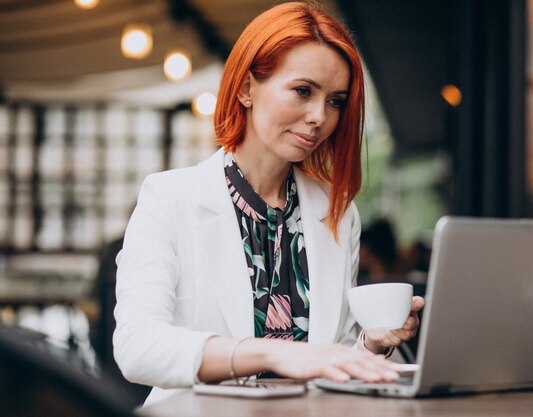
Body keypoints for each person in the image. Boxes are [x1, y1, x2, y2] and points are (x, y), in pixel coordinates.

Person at [113, 1, 424, 406]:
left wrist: (373, 344)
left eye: (336, 101)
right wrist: (271, 351)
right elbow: (138, 347)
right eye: (303, 91)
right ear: (245, 88)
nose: (319, 117)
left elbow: (334, 362)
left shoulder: (338, 213)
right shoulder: (170, 198)